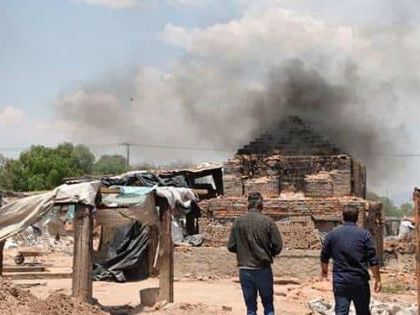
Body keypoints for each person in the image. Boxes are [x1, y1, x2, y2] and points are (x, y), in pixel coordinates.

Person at [227, 192, 283, 315]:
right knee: (268, 304)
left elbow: (231, 246)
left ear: (248, 204)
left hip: (245, 269)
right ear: (260, 204)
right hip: (263, 268)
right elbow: (278, 246)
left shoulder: (238, 222)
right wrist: (269, 253)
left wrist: (243, 250)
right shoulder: (268, 221)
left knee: (250, 308)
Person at [320, 207, 381, 315]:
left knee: (341, 312)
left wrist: (324, 273)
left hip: (341, 281)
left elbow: (324, 256)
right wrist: (377, 279)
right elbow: (373, 260)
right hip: (360, 281)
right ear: (357, 218)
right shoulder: (364, 235)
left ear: (342, 217)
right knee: (363, 312)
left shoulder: (332, 235)